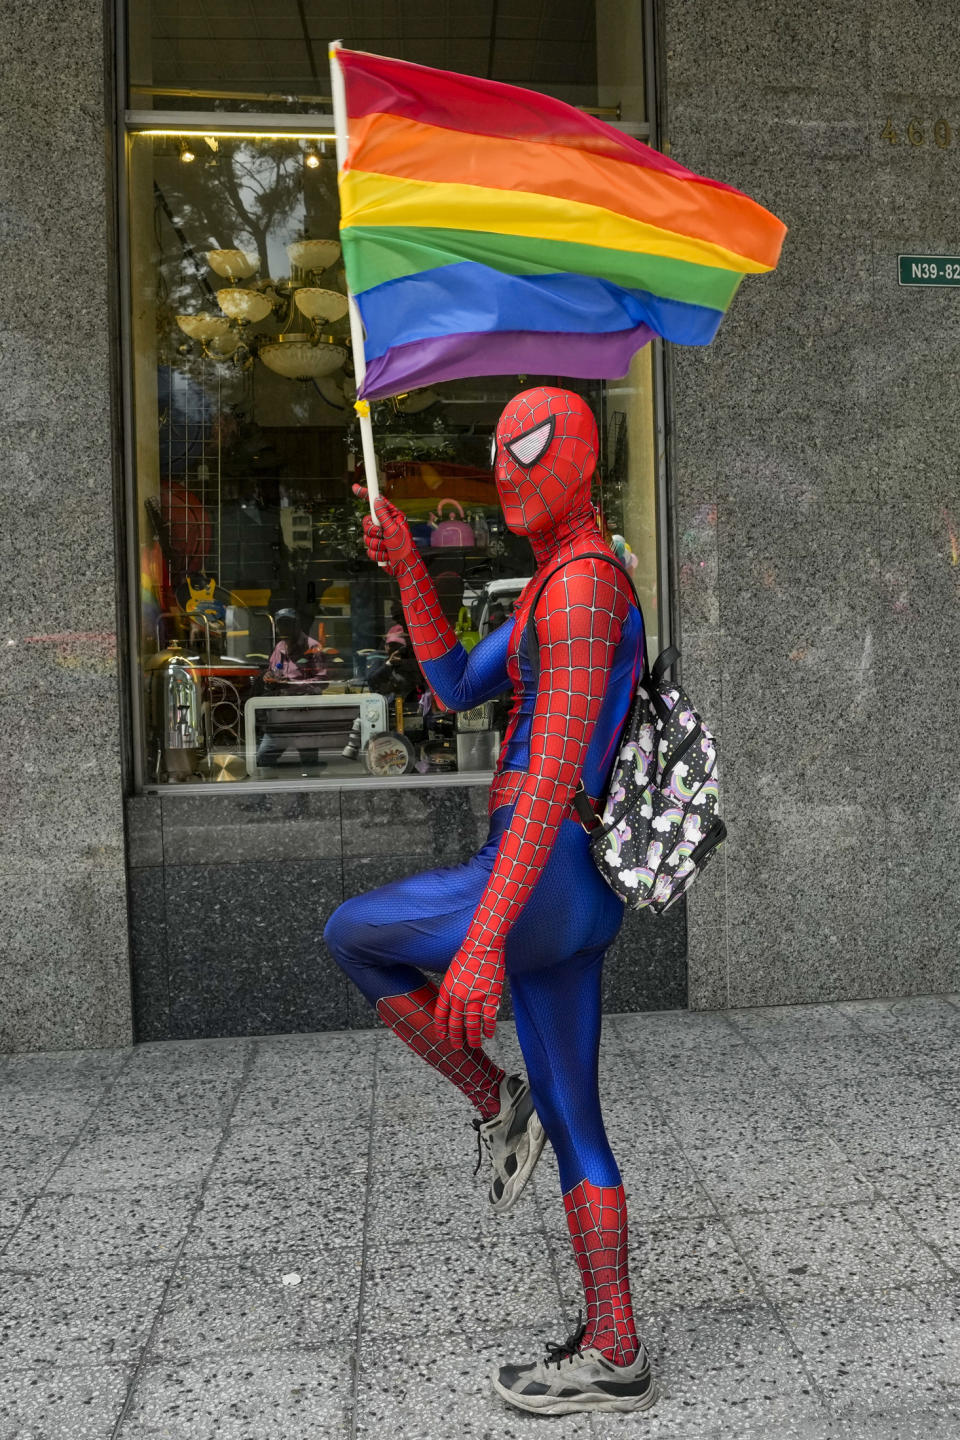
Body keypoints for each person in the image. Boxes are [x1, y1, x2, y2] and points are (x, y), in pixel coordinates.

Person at [324, 388, 655, 1416]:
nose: (508, 468)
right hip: (561, 885)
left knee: (352, 937)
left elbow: (553, 771)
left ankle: (490, 1096)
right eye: (501, 450)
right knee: (578, 1123)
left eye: (531, 448)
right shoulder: (563, 581)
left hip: (540, 870)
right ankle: (616, 1350)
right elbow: (452, 688)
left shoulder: (582, 588)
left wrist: (480, 949)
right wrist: (411, 566)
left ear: (583, 463)